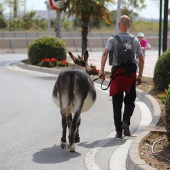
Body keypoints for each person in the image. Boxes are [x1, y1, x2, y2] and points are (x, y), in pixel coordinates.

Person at [99, 15, 144, 138]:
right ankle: (126, 122)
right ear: (129, 25)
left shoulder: (112, 39)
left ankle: (119, 131)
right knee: (130, 101)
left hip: (117, 74)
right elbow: (141, 58)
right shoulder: (135, 40)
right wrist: (140, 76)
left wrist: (101, 71)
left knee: (117, 104)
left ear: (119, 25)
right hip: (130, 75)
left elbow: (104, 54)